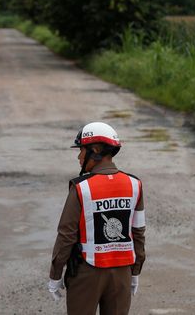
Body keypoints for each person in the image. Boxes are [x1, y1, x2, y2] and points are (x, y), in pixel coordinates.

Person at [47, 122, 146, 315]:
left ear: (95, 150)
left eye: (81, 150)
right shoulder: (135, 185)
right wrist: (135, 270)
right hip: (122, 272)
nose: (79, 156)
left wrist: (56, 275)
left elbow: (66, 235)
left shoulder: (81, 187)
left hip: (87, 272)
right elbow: (138, 232)